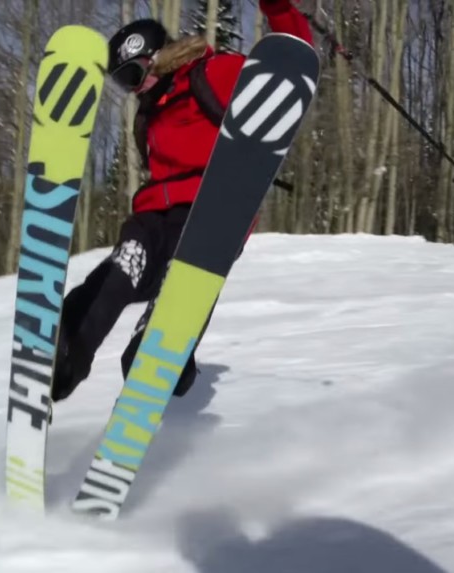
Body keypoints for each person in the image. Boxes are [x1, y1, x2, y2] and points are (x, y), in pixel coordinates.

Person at [51, 0, 314, 403]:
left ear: (159, 58)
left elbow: (285, 68)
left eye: (134, 74)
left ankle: (156, 348)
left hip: (209, 207)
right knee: (124, 265)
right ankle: (65, 349)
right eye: (123, 83)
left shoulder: (213, 74)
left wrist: (277, 8)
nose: (133, 88)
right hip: (153, 212)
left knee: (184, 274)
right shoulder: (148, 117)